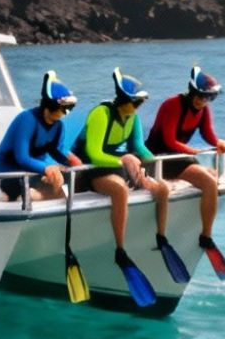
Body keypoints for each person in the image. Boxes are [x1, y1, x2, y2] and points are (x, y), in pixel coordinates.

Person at [146, 66, 225, 253]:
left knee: (214, 175)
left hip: (180, 157)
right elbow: (168, 140)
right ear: (191, 92)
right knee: (208, 181)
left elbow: (208, 134)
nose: (203, 101)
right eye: (200, 96)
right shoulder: (172, 104)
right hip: (160, 157)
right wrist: (194, 152)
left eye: (209, 98)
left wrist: (222, 143)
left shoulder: (203, 110)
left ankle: (197, 227)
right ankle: (206, 237)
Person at [73, 69, 170, 254]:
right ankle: (120, 248)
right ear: (123, 99)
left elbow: (140, 148)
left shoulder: (133, 118)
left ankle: (161, 238)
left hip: (120, 166)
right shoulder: (101, 114)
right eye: (135, 102)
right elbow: (94, 154)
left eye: (139, 103)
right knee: (120, 190)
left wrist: (155, 165)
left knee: (163, 188)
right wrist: (123, 160)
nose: (137, 107)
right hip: (93, 169)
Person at [0, 71, 80, 203]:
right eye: (64, 108)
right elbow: (22, 157)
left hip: (35, 172)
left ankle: (45, 196)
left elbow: (58, 152)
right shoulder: (27, 119)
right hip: (11, 173)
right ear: (50, 105)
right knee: (34, 194)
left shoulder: (58, 126)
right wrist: (46, 168)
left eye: (69, 108)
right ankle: (31, 196)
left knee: (67, 183)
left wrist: (71, 161)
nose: (65, 113)